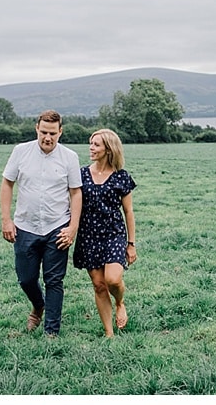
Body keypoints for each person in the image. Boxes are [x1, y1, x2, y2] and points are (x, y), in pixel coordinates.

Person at [0, 110, 82, 337]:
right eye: (44, 132)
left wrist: (72, 227)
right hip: (25, 226)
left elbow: (76, 193)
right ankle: (38, 305)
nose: (48, 137)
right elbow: (7, 184)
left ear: (60, 132)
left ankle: (51, 332)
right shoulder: (20, 152)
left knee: (54, 280)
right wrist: (6, 220)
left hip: (57, 226)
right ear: (37, 128)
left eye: (53, 133)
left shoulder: (70, 157)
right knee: (26, 278)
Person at [73, 128, 137, 337]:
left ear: (108, 149)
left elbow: (128, 211)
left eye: (96, 144)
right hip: (88, 236)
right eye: (91, 143)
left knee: (112, 279)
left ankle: (120, 302)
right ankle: (109, 333)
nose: (91, 148)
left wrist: (131, 243)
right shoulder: (81, 174)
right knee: (99, 286)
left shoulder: (121, 177)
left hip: (114, 235)